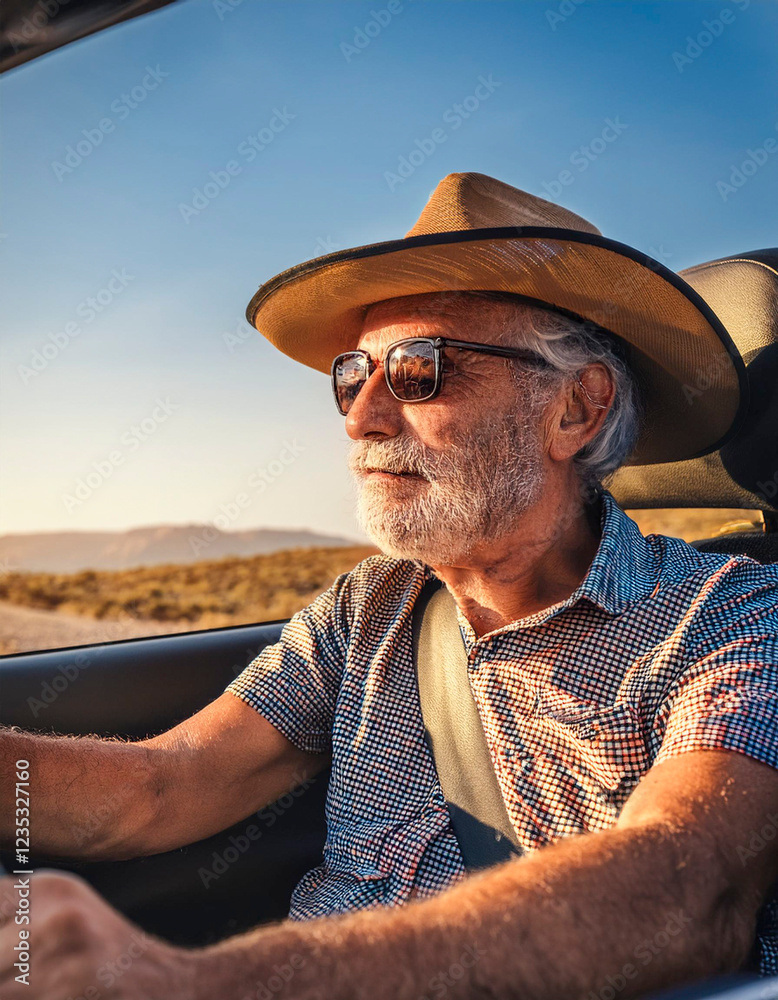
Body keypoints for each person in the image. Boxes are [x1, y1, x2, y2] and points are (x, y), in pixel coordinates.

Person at [2, 172, 778, 1000]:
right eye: (353, 374)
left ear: (576, 410)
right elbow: (167, 786)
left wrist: (192, 984)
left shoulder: (728, 616)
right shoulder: (367, 607)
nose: (360, 415)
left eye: (419, 369)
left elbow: (689, 892)